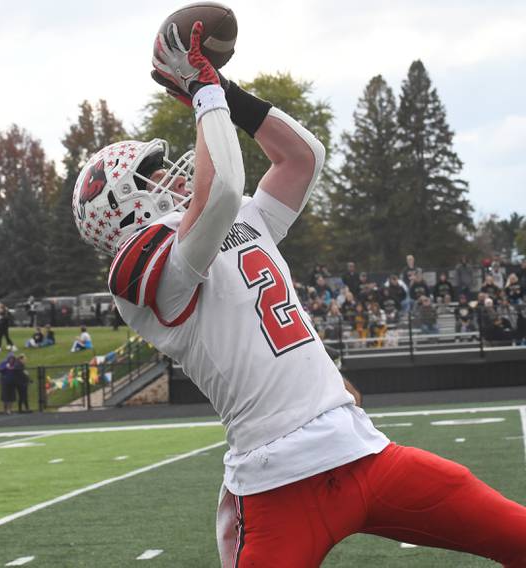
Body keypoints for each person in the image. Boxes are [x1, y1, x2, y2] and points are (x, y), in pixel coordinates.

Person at [71, 27, 526, 565]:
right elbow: (217, 190)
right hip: (278, 482)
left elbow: (304, 157)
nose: (168, 175)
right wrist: (202, 91)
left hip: (360, 452)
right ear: (124, 207)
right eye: (149, 176)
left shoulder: (237, 216)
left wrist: (226, 92)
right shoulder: (146, 273)